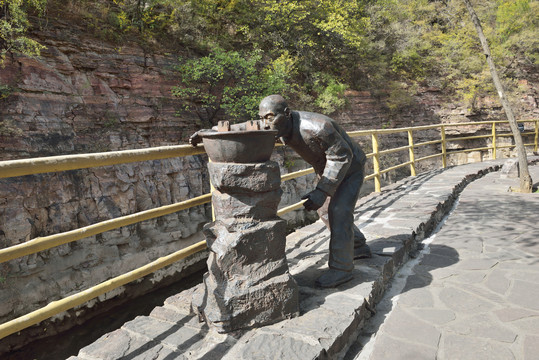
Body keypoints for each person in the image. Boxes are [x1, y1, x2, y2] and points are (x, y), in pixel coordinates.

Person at [190, 94, 371, 288]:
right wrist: (214, 131)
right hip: (327, 169)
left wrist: (322, 190)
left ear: (287, 113)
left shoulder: (318, 128)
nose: (264, 123)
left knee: (338, 211)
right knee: (326, 211)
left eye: (269, 117)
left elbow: (341, 157)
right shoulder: (277, 124)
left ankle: (342, 269)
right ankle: (357, 246)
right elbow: (251, 126)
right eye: (262, 117)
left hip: (350, 168)